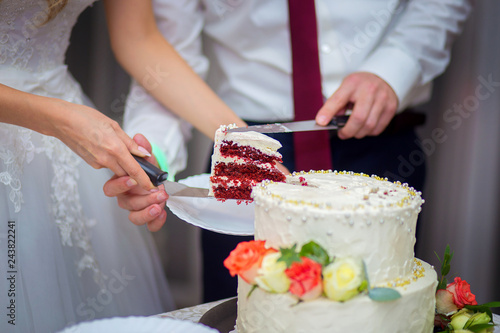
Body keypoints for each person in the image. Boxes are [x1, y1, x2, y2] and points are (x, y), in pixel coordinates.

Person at [116, 0, 473, 302]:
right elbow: (164, 55)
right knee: (247, 312)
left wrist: (395, 68)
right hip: (244, 162)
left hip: (376, 146)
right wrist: (154, 154)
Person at [0, 0, 247, 332]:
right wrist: (57, 120)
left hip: (68, 133)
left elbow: (139, 38)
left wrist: (245, 144)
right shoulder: (64, 121)